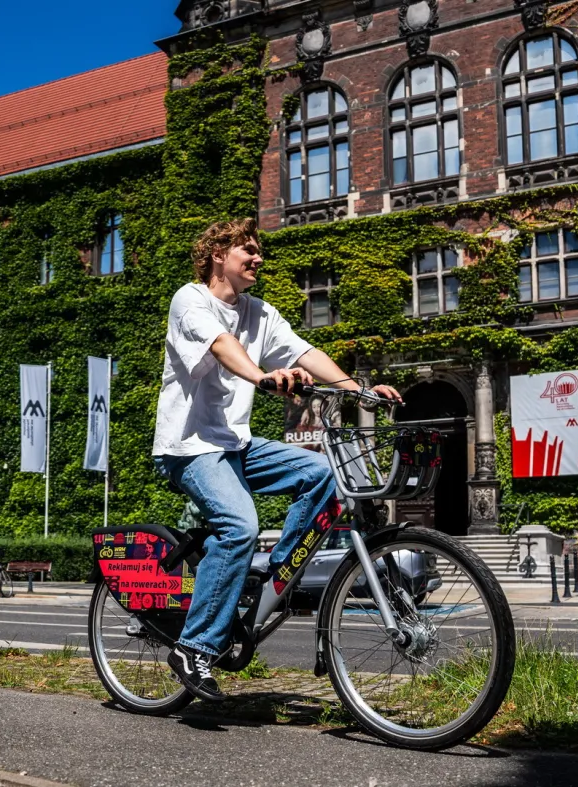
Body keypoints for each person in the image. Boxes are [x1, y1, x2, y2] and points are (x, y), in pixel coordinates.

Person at [152, 218, 401, 701]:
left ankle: (275, 580)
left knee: (325, 475)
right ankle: (193, 647)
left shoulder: (260, 312)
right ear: (218, 254)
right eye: (248, 249)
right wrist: (262, 376)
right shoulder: (191, 300)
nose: (258, 258)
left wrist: (359, 391)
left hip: (237, 445)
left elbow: (305, 351)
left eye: (258, 250)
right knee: (240, 526)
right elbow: (222, 347)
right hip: (190, 448)